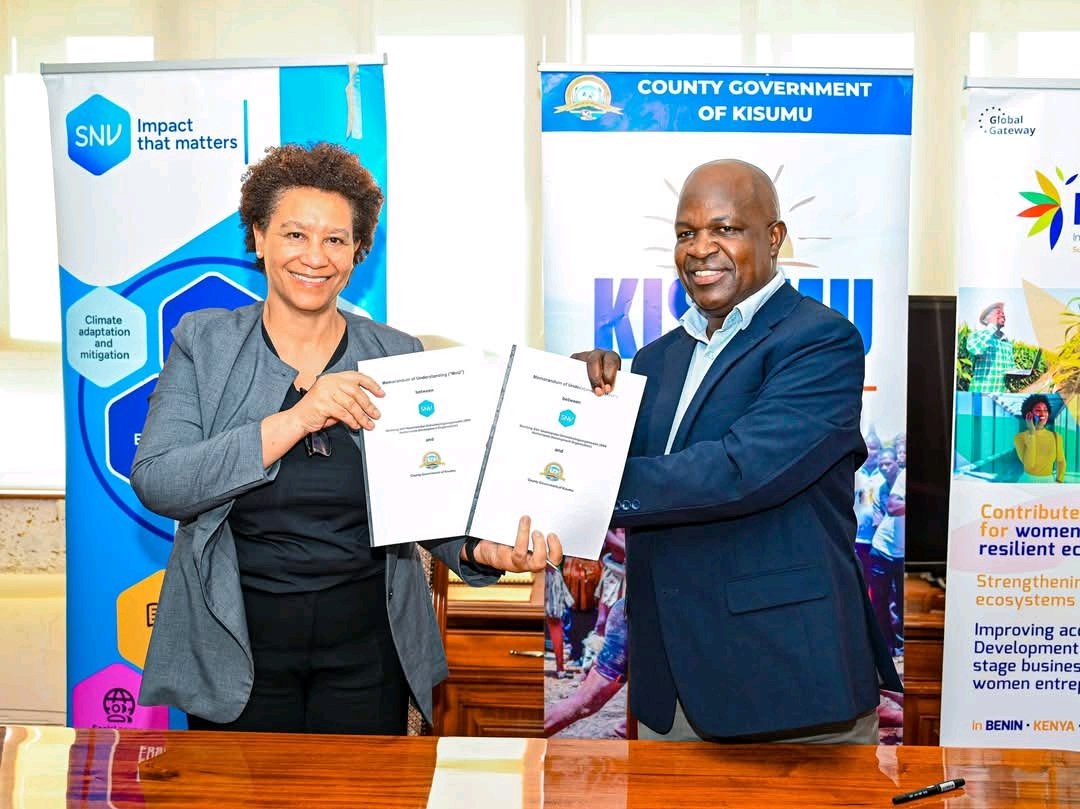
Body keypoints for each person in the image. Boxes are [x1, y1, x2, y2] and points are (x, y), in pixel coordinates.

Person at [131, 143, 561, 735]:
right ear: (258, 237)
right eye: (294, 234)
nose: (316, 256)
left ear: (358, 252)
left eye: (336, 239)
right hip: (237, 647)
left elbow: (424, 499)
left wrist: (483, 551)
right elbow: (160, 481)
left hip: (366, 649)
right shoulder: (204, 343)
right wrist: (298, 417)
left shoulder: (395, 353)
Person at [575, 159, 901, 743]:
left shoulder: (820, 340)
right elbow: (637, 474)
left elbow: (739, 470)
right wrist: (572, 407)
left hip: (784, 688)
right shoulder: (653, 361)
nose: (701, 249)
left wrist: (585, 481)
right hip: (669, 692)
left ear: (773, 238)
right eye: (686, 233)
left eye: (724, 229)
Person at [869, 448, 905, 657]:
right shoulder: (882, 489)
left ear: (897, 463)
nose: (883, 468)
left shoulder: (904, 480)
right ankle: (886, 647)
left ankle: (900, 648)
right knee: (879, 601)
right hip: (881, 549)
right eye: (881, 464)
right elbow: (883, 515)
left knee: (899, 604)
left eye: (888, 463)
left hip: (900, 554)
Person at [1013, 394, 1066, 483]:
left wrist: (1059, 481)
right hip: (1027, 481)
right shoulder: (1019, 438)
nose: (1042, 414)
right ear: (1028, 414)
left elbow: (1061, 461)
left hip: (1049, 481)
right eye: (1038, 410)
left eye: (1045, 410)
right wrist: (1032, 433)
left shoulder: (1056, 436)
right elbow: (1030, 465)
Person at [967, 302, 1014, 393]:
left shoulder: (1007, 343)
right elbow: (975, 349)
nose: (1003, 314)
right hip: (980, 394)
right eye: (998, 312)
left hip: (1000, 397)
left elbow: (1010, 371)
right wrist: (992, 326)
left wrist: (1023, 374)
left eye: (1003, 313)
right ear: (986, 319)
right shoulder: (976, 336)